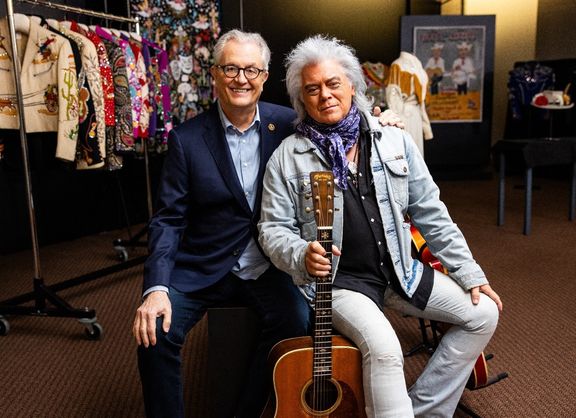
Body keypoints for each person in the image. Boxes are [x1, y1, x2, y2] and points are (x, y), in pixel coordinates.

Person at [132, 29, 402, 418]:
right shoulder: (185, 140)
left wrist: (379, 120)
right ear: (214, 74)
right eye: (231, 68)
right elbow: (168, 220)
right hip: (203, 265)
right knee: (154, 333)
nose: (241, 78)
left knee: (296, 323)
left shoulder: (289, 124)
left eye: (251, 70)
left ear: (264, 75)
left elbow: (340, 118)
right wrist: (156, 288)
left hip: (268, 266)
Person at [258, 35, 503, 417]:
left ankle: (422, 409)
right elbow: (271, 230)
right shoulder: (286, 158)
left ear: (352, 85)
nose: (325, 95)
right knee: (385, 348)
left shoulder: (393, 139)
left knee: (484, 313)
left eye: (333, 83)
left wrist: (470, 273)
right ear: (302, 100)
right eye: (313, 88)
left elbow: (430, 211)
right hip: (340, 284)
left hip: (399, 272)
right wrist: (300, 254)